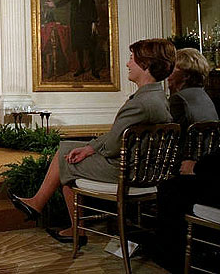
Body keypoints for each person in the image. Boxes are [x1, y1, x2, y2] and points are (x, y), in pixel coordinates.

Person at [9, 38, 176, 244]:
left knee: (66, 158)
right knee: (68, 150)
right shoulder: (158, 97)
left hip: (126, 171)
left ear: (146, 65)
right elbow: (118, 135)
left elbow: (114, 145)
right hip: (142, 168)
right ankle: (64, 222)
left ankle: (43, 207)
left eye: (132, 59)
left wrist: (92, 150)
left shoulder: (141, 103)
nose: (127, 64)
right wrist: (89, 148)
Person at [152, 48, 219, 273]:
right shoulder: (206, 97)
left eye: (174, 68)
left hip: (186, 166)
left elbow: (168, 141)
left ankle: (166, 252)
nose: (169, 72)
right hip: (205, 165)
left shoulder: (179, 100)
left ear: (186, 74)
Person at [46, 0, 99, 78]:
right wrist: (54, 5)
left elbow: (93, 10)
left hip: (86, 25)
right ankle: (81, 68)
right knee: (78, 47)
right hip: (76, 25)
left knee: (90, 48)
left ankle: (94, 70)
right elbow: (64, 1)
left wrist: (94, 23)